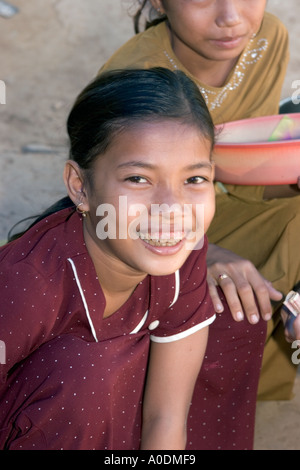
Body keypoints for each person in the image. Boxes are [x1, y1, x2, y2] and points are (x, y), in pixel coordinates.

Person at [0, 66, 241, 450]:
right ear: (81, 187)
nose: (172, 209)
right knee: (86, 371)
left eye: (194, 180)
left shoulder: (184, 253)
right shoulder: (25, 284)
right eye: (138, 179)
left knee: (236, 312)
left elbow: (166, 416)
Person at [99, 0, 300, 401]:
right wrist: (201, 251)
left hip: (214, 200)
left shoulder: (267, 36)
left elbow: (239, 163)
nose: (231, 18)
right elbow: (111, 214)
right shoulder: (132, 79)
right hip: (144, 231)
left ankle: (245, 378)